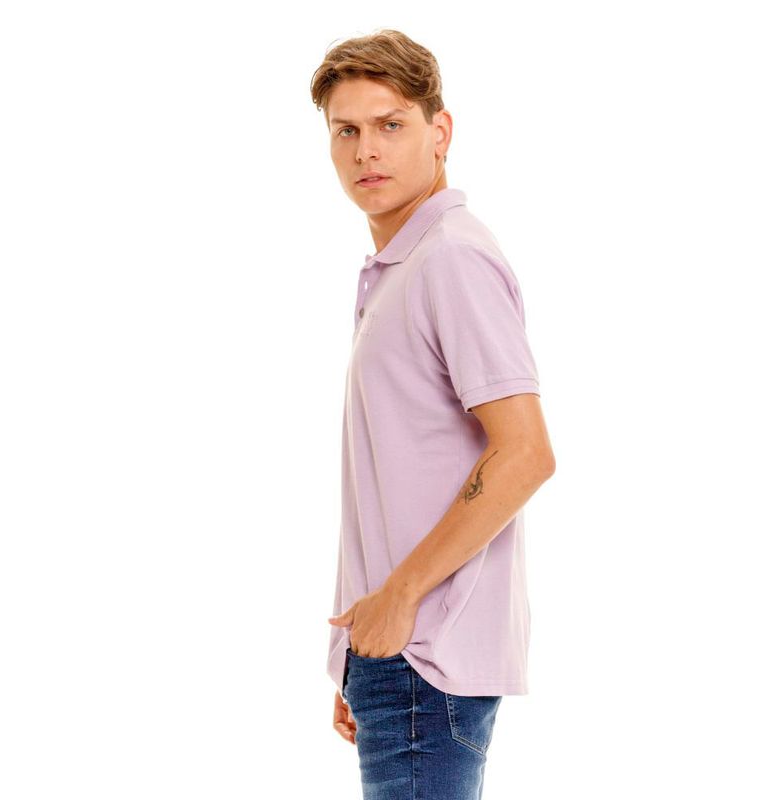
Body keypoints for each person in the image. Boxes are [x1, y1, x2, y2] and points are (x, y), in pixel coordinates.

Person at [309, 29, 556, 800]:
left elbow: (524, 454)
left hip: (424, 661)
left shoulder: (450, 257)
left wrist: (399, 602)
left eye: (390, 124)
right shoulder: (403, 266)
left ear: (439, 130)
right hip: (400, 664)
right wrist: (358, 654)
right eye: (346, 130)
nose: (365, 151)